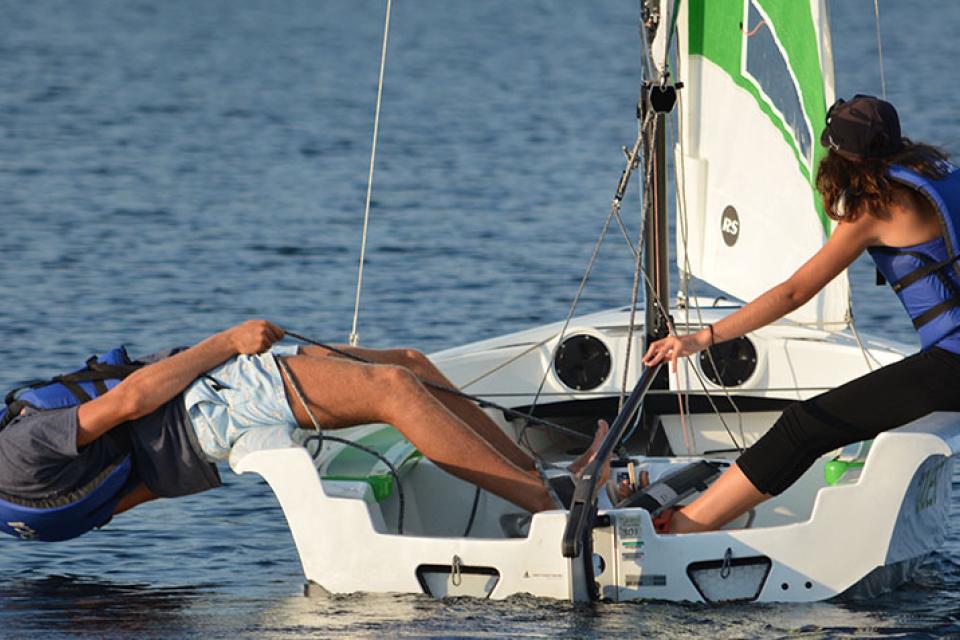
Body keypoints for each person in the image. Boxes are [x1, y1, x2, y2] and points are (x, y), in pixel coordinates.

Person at [642, 94, 960, 534]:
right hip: (949, 360)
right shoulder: (940, 177)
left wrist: (701, 338)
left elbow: (794, 293)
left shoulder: (876, 211)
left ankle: (684, 527)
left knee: (804, 426)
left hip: (953, 364)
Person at [0, 320, 606, 541]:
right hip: (212, 406)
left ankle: (539, 476)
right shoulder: (18, 447)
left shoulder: (14, 508)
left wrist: (203, 457)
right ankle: (548, 505)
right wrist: (227, 344)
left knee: (410, 365)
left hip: (205, 430)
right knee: (394, 390)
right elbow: (129, 400)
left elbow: (121, 495)